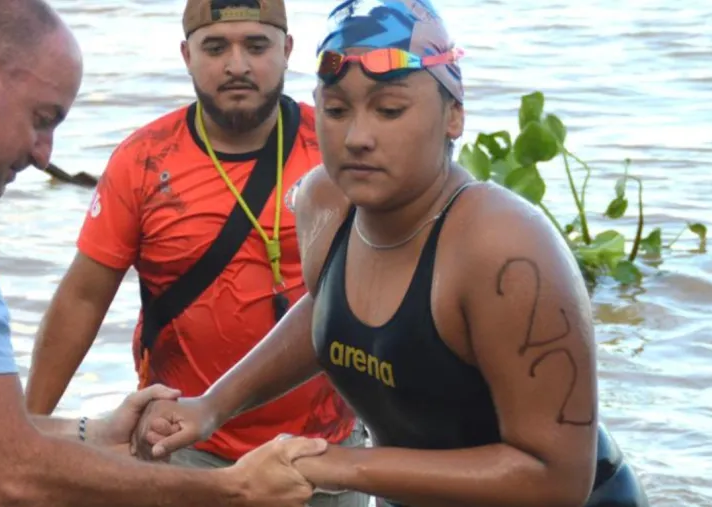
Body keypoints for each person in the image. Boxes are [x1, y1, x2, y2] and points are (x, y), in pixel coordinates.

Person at [132, 1, 652, 506]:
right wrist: (212, 407)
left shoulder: (504, 250)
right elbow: (330, 312)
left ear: (454, 116)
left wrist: (336, 465)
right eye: (335, 110)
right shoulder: (324, 204)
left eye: (390, 110)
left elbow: (556, 479)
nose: (357, 137)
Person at [0, 1, 329, 506]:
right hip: (201, 450)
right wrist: (233, 489)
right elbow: (11, 475)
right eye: (41, 119)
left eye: (256, 46)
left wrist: (92, 431)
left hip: (319, 439)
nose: (43, 154)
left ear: (287, 50)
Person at [25, 1, 368, 505]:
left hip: (322, 452)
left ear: (288, 50)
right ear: (186, 55)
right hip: (183, 450)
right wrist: (26, 431)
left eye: (256, 45)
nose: (236, 66)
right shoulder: (143, 161)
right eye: (215, 47)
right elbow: (82, 300)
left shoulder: (338, 148)